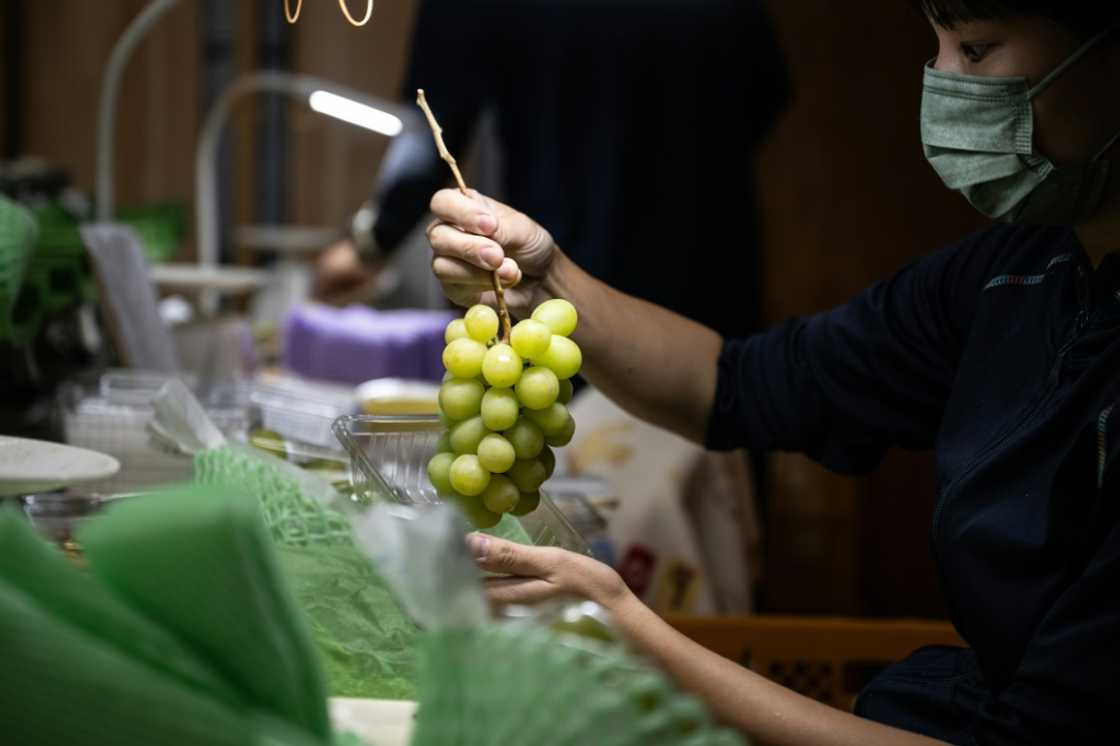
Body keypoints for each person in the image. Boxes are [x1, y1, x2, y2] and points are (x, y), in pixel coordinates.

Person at [424, 1, 1120, 743]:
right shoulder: (1015, 275)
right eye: (938, 46)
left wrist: (625, 625)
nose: (942, 80)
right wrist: (548, 281)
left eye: (977, 49)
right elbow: (735, 384)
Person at [316, 0, 789, 339]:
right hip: (710, 270)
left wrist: (368, 245)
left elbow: (431, 131)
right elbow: (770, 90)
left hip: (569, 277)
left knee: (569, 460)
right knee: (713, 455)